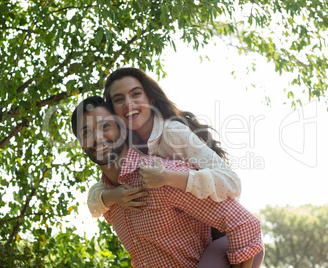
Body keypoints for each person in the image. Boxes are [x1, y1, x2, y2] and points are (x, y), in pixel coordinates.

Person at [87, 67, 264, 267]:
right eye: (119, 99)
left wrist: (168, 178)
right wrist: (112, 196)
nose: (129, 103)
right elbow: (97, 194)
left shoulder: (173, 133)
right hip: (197, 239)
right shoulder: (125, 146)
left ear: (151, 100)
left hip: (226, 237)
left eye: (136, 94)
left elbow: (231, 183)